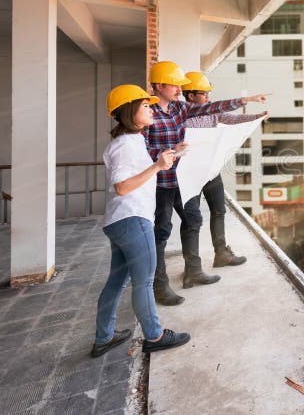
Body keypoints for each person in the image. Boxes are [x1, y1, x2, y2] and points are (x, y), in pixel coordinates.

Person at [146, 61, 267, 306]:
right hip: (161, 183)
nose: (179, 89)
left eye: (181, 86)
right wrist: (168, 150)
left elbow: (214, 109)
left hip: (185, 179)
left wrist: (246, 101)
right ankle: (160, 286)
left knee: (193, 220)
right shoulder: (147, 113)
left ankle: (194, 270)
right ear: (159, 86)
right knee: (161, 231)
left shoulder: (180, 109)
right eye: (175, 85)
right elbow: (141, 149)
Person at [92, 85, 190, 357]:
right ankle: (155, 336)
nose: (150, 108)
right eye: (145, 105)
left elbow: (140, 172)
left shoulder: (132, 141)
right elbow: (122, 186)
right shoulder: (124, 145)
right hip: (133, 219)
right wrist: (158, 166)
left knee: (116, 282)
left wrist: (171, 154)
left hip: (122, 221)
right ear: (129, 112)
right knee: (144, 282)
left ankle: (103, 338)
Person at [182, 72, 268, 268]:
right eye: (204, 94)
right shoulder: (182, 113)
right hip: (190, 174)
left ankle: (221, 254)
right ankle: (192, 267)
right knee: (192, 220)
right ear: (191, 95)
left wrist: (256, 117)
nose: (208, 97)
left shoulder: (211, 113)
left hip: (210, 170)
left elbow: (230, 119)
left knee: (219, 211)